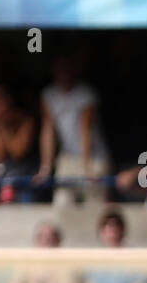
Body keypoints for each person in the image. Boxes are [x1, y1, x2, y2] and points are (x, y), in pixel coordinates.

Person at [36, 56, 113, 205]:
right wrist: (45, 167)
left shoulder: (86, 93)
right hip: (68, 156)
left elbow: (85, 129)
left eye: (66, 68)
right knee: (62, 202)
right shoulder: (49, 94)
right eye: (59, 69)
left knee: (94, 204)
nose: (63, 72)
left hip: (94, 157)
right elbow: (48, 130)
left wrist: (87, 167)